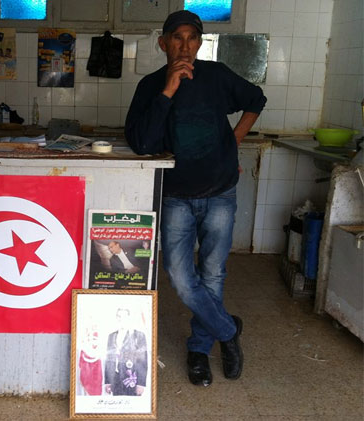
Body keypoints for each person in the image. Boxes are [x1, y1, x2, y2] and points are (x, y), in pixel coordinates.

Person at [125, 10, 267, 387]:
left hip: (220, 191)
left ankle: (200, 350)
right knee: (182, 278)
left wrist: (234, 138)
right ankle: (227, 330)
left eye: (192, 38)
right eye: (177, 38)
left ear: (199, 42)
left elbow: (256, 98)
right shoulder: (151, 85)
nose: (185, 45)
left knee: (213, 273)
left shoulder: (217, 76)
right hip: (175, 196)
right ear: (163, 43)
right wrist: (168, 90)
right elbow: (141, 143)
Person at [104, 308, 148, 396]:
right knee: (117, 405)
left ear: (129, 318)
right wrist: (108, 381)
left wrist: (140, 384)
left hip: (131, 378)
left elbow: (142, 361)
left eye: (124, 317)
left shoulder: (138, 335)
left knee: (132, 407)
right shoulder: (111, 336)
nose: (121, 319)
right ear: (116, 318)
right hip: (115, 378)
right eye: (119, 316)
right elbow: (109, 360)